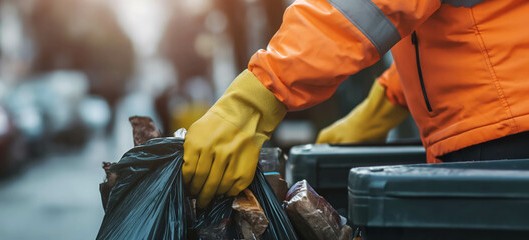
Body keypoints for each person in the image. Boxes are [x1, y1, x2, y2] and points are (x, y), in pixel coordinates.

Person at [182, 0, 529, 208]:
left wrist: (251, 102)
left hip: (503, 134)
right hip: (502, 121)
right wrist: (383, 105)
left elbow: (356, 9)